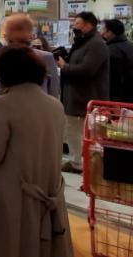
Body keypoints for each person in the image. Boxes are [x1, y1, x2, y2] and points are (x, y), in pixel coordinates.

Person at [0, 46, 73, 257]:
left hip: (14, 197)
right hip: (49, 193)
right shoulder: (55, 105)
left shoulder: (2, 104)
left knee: (10, 246)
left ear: (5, 74)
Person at [58, 12, 109, 173]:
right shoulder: (82, 42)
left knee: (85, 133)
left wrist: (65, 67)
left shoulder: (96, 44)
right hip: (75, 95)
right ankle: (77, 162)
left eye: (77, 23)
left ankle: (87, 165)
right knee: (72, 130)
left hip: (87, 97)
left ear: (88, 25)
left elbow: (87, 70)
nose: (74, 26)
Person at [0, 14, 60, 100]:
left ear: (6, 35)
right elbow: (53, 92)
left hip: (7, 106)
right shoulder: (45, 57)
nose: (18, 33)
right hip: (39, 106)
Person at [102, 18, 133, 103]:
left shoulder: (110, 50)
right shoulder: (130, 46)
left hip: (118, 98)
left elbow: (113, 78)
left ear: (110, 32)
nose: (102, 32)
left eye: (104, 29)